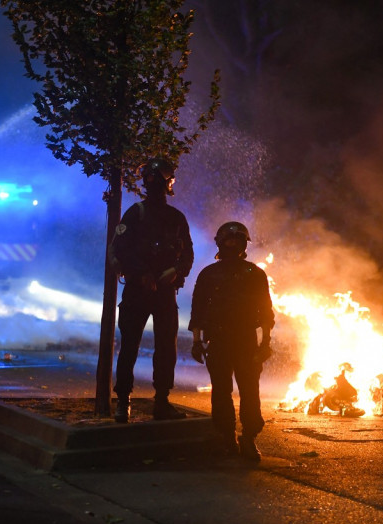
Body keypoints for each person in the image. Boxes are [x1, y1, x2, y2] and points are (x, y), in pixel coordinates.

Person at [110, 157, 194, 423]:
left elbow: (187, 255)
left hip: (160, 291)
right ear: (168, 183)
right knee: (136, 347)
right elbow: (121, 249)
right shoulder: (138, 213)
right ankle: (133, 401)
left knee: (157, 348)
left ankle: (140, 403)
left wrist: (175, 272)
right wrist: (143, 274)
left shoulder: (173, 217)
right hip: (140, 290)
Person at [188, 221, 274, 461]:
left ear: (244, 244)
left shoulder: (255, 273)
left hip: (246, 341)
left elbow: (266, 311)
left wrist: (265, 342)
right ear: (220, 242)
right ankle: (227, 438)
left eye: (238, 240)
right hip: (218, 340)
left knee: (249, 391)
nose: (233, 244)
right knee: (221, 392)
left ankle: (248, 438)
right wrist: (197, 341)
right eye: (229, 239)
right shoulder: (209, 274)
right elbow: (198, 311)